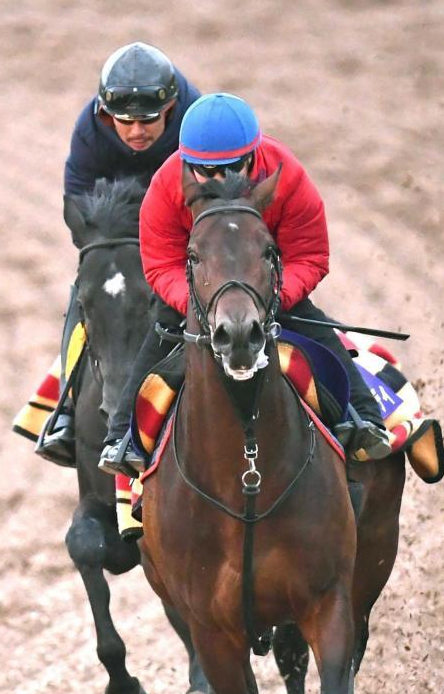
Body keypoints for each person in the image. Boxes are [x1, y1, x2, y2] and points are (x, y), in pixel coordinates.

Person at [98, 92, 393, 476]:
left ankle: (364, 418)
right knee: (156, 339)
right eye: (206, 170)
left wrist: (275, 297)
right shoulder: (165, 186)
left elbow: (310, 255)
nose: (220, 178)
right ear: (188, 164)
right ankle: (122, 438)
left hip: (268, 289)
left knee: (318, 329)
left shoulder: (288, 175)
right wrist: (198, 305)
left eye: (233, 167)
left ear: (255, 157)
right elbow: (160, 265)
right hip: (197, 293)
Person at [36, 42, 202, 466]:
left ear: (171, 107)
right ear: (106, 113)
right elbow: (77, 200)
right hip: (118, 224)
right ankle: (66, 411)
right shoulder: (89, 129)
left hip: (180, 219)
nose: (135, 132)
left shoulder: (194, 120)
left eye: (148, 120)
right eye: (124, 122)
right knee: (86, 295)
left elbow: (209, 195)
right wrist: (100, 250)